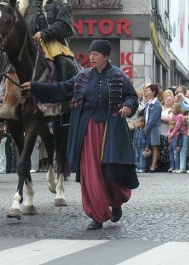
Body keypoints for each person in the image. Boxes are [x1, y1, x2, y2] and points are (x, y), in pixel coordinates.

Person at [21, 39, 139, 230]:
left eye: (96, 54)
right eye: (90, 54)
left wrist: (128, 106)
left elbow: (132, 96)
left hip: (112, 131)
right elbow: (62, 89)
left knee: (113, 172)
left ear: (106, 57)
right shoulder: (82, 77)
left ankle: (116, 203)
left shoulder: (119, 76)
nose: (91, 57)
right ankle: (97, 215)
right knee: (91, 174)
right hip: (88, 131)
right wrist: (36, 87)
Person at [17, 0, 76, 82]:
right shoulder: (20, 5)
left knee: (63, 62)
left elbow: (64, 25)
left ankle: (67, 94)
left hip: (52, 44)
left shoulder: (60, 3)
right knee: (3, 59)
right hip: (25, 47)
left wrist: (45, 34)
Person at [143, 84, 162, 172]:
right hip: (148, 126)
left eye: (149, 90)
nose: (147, 92)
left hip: (154, 127)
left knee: (154, 146)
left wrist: (146, 128)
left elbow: (153, 118)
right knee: (148, 145)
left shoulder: (157, 104)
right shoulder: (149, 102)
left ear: (153, 92)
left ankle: (153, 165)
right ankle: (149, 164)